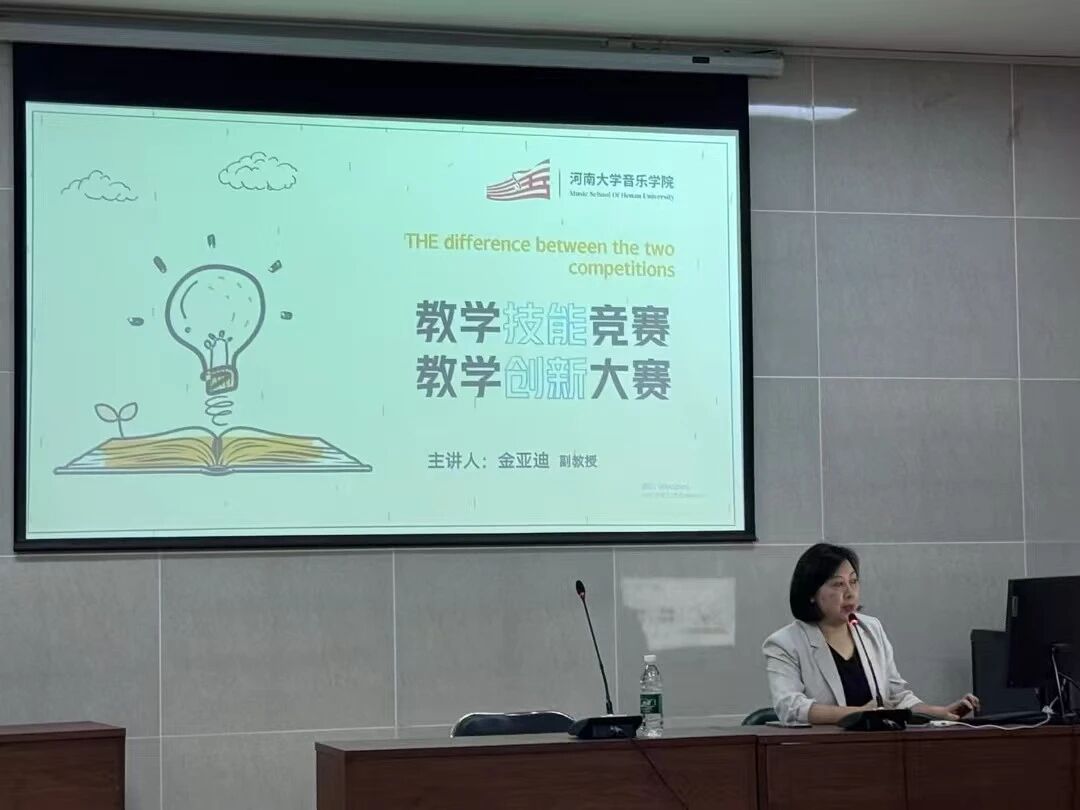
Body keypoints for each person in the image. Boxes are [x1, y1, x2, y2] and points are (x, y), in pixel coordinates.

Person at [762, 543, 979, 726]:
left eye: (853, 581)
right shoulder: (785, 644)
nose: (850, 593)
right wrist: (858, 714)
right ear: (811, 593)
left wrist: (938, 713)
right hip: (821, 752)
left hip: (878, 748)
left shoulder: (871, 629)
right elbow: (790, 708)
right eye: (838, 584)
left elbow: (896, 697)